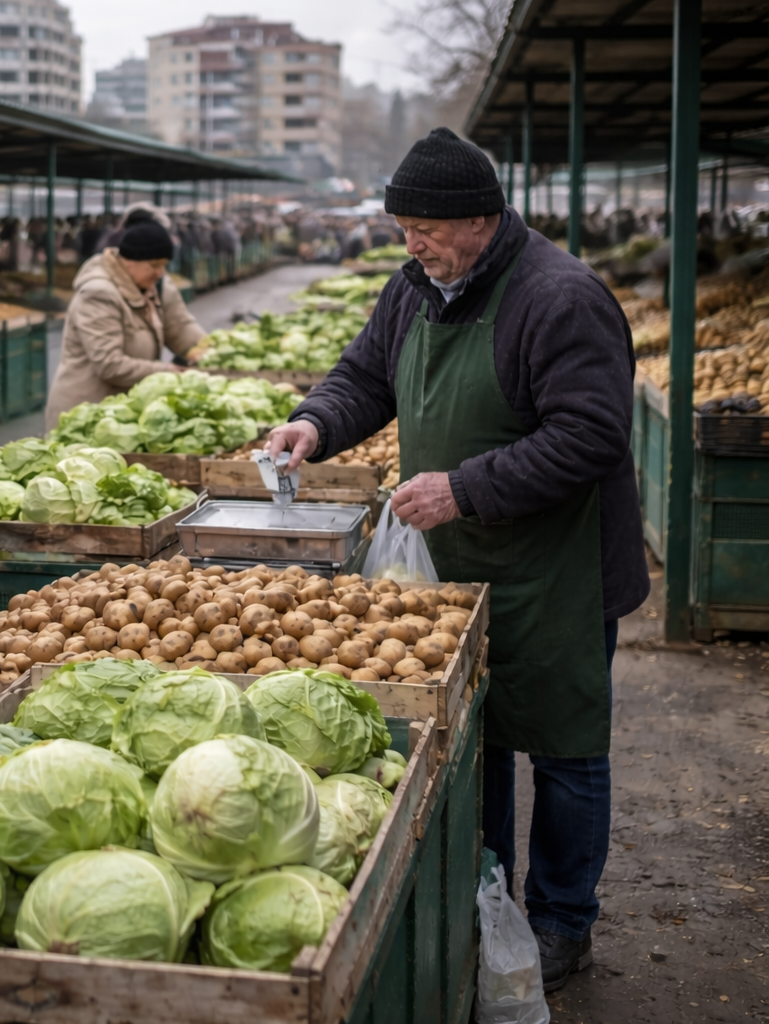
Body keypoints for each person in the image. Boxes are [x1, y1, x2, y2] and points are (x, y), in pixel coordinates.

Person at [265, 128, 648, 991]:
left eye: (423, 229)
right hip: (459, 569)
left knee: (564, 747)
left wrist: (465, 488)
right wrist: (315, 422)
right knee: (478, 741)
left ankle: (561, 921)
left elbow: (590, 435)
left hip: (559, 568)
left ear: (480, 217)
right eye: (403, 228)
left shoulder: (560, 296)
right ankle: (489, 899)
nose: (411, 244)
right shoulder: (414, 288)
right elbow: (364, 376)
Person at [44, 219, 205, 428]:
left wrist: (209, 351)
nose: (160, 273)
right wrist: (166, 370)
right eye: (154, 265)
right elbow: (110, 364)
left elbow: (179, 326)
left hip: (116, 413)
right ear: (129, 260)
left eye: (164, 265)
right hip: (85, 416)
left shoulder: (147, 287)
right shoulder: (98, 294)